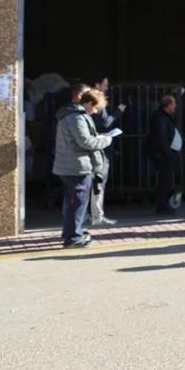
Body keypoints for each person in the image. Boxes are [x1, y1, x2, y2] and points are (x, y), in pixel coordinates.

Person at [54, 89, 114, 248]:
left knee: (72, 202)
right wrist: (106, 140)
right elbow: (85, 142)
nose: (95, 112)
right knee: (78, 203)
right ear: (88, 103)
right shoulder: (77, 117)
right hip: (77, 167)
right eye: (95, 108)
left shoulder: (72, 115)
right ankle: (73, 237)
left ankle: (71, 231)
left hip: (70, 165)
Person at [88, 76, 126, 226]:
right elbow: (105, 123)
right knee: (99, 182)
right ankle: (96, 216)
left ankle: (92, 214)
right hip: (100, 147)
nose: (107, 88)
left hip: (94, 146)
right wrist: (118, 112)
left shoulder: (88, 104)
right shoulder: (98, 102)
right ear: (97, 85)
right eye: (105, 85)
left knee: (92, 183)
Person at [148, 95, 182, 215]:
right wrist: (168, 153)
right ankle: (163, 205)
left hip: (165, 154)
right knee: (165, 181)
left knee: (167, 180)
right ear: (167, 106)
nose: (175, 106)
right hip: (163, 155)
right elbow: (162, 139)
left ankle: (164, 204)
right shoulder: (161, 118)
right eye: (173, 104)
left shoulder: (163, 117)